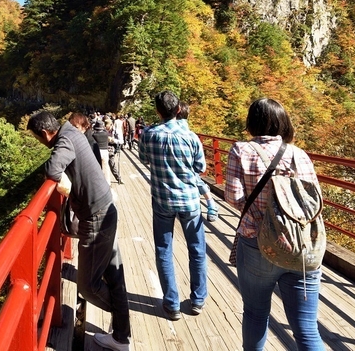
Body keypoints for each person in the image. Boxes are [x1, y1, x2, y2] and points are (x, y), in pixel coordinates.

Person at [225, 98, 323, 351]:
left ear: (252, 122)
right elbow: (314, 201)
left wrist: (260, 214)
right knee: (306, 327)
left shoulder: (241, 150)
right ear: (283, 122)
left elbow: (233, 198)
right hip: (301, 248)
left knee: (256, 315)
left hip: (258, 244)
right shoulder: (299, 154)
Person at [28, 111, 131, 351]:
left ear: (44, 133)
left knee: (88, 286)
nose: (40, 142)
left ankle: (121, 322)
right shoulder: (72, 131)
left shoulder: (64, 140)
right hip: (105, 209)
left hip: (96, 218)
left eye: (37, 138)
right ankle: (121, 335)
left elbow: (53, 170)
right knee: (113, 276)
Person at [139, 91, 208, 320]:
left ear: (158, 111)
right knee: (197, 250)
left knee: (164, 251)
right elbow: (200, 167)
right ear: (179, 109)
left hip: (162, 200)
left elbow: (144, 159)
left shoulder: (149, 135)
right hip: (189, 201)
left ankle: (172, 304)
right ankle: (197, 300)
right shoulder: (191, 137)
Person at [176, 101, 219, 222]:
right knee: (195, 176)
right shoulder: (191, 135)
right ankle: (211, 204)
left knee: (194, 177)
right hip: (190, 172)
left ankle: (211, 204)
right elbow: (201, 167)